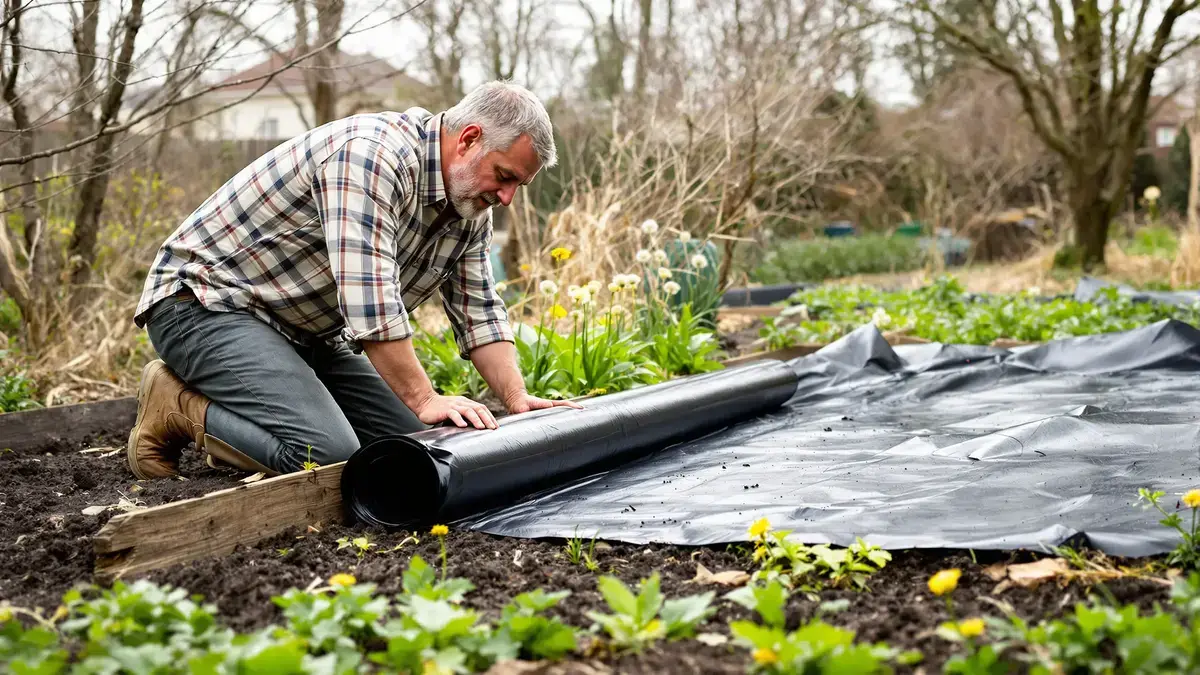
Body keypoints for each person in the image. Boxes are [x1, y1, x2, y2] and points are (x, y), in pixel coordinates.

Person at [126, 80, 581, 480]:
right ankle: (177, 406)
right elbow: (372, 300)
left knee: (421, 445)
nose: (506, 198)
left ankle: (256, 424)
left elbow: (479, 310)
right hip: (204, 304)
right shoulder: (371, 157)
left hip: (302, 330)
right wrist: (424, 396)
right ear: (468, 139)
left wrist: (517, 397)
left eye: (517, 186)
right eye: (505, 177)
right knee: (326, 453)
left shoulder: (468, 208)